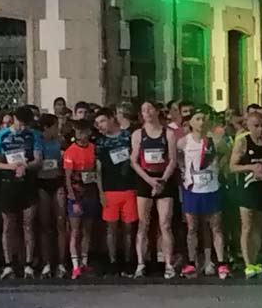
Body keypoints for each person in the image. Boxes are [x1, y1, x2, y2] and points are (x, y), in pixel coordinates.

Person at [0, 106, 42, 279]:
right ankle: (8, 264)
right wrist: (10, 166)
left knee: (28, 224)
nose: (23, 127)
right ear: (14, 118)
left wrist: (25, 166)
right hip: (8, 183)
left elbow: (38, 160)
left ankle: (28, 263)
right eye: (20, 123)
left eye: (26, 124)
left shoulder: (33, 135)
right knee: (8, 224)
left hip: (27, 183)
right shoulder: (1, 135)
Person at [177, 107, 228, 279]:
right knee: (192, 227)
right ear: (191, 122)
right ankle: (191, 262)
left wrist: (219, 168)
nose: (201, 122)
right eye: (197, 119)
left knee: (216, 227)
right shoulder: (183, 142)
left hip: (211, 188)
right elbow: (178, 158)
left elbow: (226, 154)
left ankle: (221, 263)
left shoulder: (215, 141)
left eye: (203, 119)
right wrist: (185, 172)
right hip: (192, 189)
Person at [131, 101, 179, 280]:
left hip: (164, 179)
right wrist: (149, 180)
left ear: (157, 111)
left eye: (150, 109)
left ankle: (168, 264)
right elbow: (134, 160)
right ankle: (140, 263)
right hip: (146, 179)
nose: (148, 113)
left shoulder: (169, 133)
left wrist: (162, 181)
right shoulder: (138, 134)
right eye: (144, 110)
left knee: (165, 224)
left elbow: (172, 160)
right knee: (143, 223)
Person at [229, 109, 262, 279]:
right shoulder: (243, 142)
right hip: (247, 188)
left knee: (259, 226)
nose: (260, 129)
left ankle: (255, 260)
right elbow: (232, 167)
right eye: (256, 126)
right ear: (249, 126)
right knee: (247, 226)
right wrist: (251, 167)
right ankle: (247, 263)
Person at [94, 106, 139, 275]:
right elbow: (98, 170)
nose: (100, 125)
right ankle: (113, 261)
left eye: (103, 121)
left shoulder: (128, 137)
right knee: (111, 228)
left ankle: (128, 260)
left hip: (129, 188)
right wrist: (100, 192)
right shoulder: (100, 142)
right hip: (109, 190)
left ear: (112, 118)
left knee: (129, 228)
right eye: (97, 123)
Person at [63, 119, 100, 279]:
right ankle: (75, 265)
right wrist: (72, 196)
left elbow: (96, 171)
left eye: (83, 131)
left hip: (90, 192)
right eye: (78, 131)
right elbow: (67, 177)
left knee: (87, 229)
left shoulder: (93, 148)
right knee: (75, 230)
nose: (80, 135)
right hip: (76, 195)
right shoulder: (70, 151)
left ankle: (84, 261)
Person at [37, 113, 67, 278]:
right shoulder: (38, 142)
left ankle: (61, 263)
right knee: (45, 225)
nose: (58, 129)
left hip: (57, 182)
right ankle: (46, 263)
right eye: (55, 126)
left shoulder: (59, 142)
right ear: (46, 128)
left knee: (60, 223)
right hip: (42, 184)